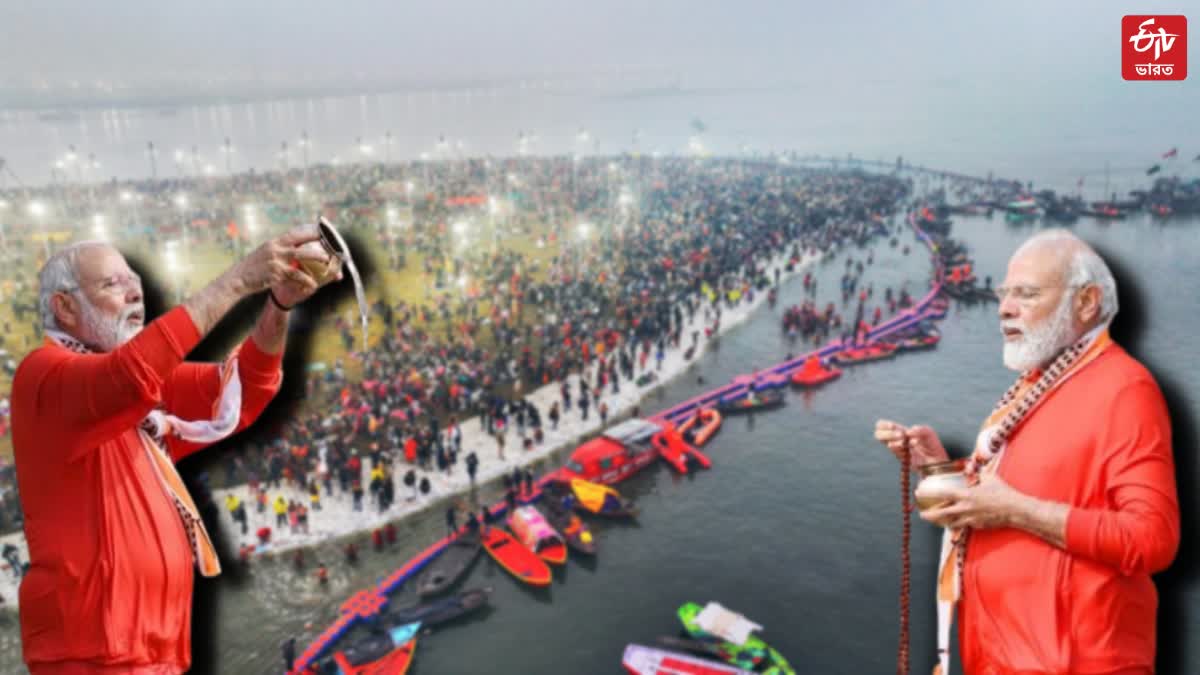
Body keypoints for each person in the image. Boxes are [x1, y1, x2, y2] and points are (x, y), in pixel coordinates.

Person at [12, 227, 338, 674]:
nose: (134, 295)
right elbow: (127, 377)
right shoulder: (44, 378)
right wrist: (239, 279)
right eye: (111, 284)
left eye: (133, 281)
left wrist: (277, 306)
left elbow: (241, 390)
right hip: (93, 656)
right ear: (65, 307)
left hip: (156, 654)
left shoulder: (141, 401)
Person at [874, 230, 1178, 675]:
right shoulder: (1037, 385)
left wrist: (1017, 512)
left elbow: (1152, 539)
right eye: (1004, 294)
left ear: (1086, 302)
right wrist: (939, 469)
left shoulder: (1125, 389)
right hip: (1000, 656)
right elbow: (1010, 494)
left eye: (1026, 294)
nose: (1004, 308)